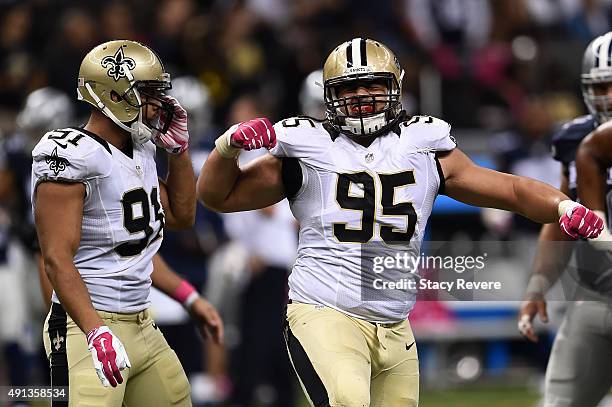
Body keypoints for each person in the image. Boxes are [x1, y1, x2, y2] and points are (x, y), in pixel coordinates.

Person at [198, 38, 602, 407]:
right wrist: (226, 148)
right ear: (329, 96)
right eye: (348, 89)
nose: (360, 96)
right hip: (325, 311)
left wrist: (562, 208)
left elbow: (511, 190)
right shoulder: (308, 147)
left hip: (394, 323)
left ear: (394, 86)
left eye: (371, 85)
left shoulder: (422, 145)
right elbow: (218, 196)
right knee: (347, 402)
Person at [32, 40, 222, 406]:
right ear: (115, 94)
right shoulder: (72, 154)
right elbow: (56, 258)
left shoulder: (143, 147)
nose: (159, 104)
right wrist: (95, 331)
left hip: (140, 320)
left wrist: (178, 151)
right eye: (149, 93)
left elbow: (183, 217)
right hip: (85, 325)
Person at [517, 31, 612, 407]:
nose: (607, 97)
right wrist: (538, 283)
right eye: (600, 86)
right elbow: (561, 220)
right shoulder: (574, 139)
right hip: (592, 296)